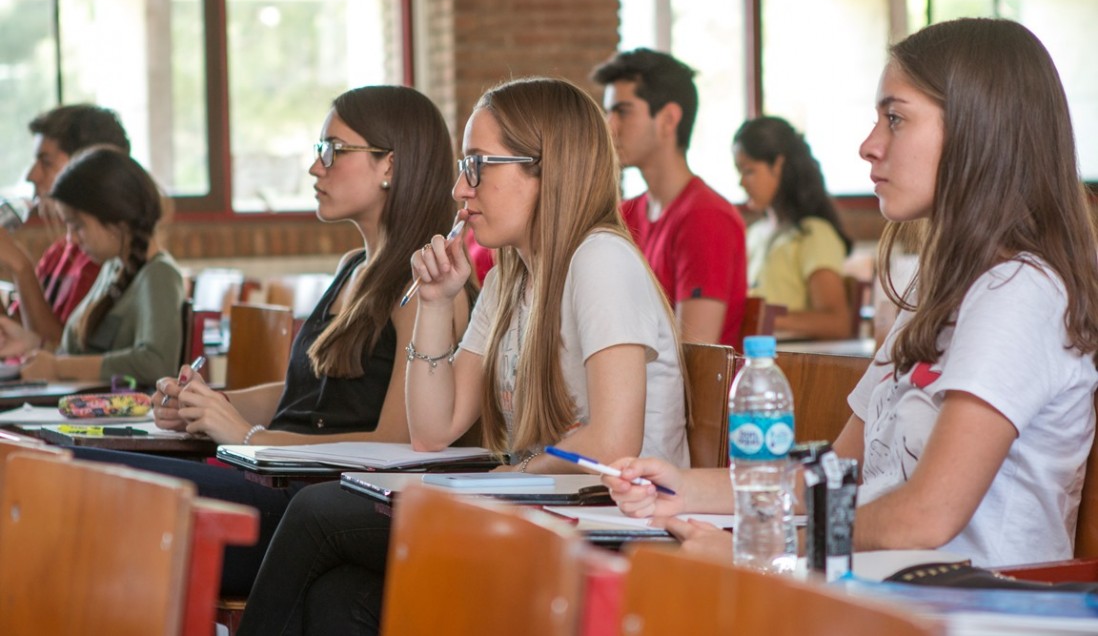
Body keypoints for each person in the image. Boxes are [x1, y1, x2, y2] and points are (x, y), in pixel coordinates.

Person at [603, 18, 1098, 569]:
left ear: (978, 131)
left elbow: (925, 517)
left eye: (895, 119)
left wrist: (759, 552)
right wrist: (683, 487)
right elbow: (835, 475)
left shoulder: (1020, 292)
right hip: (886, 592)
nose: (869, 145)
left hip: (967, 609)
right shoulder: (940, 293)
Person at [237, 76, 689, 635]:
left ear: (547, 169)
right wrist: (434, 303)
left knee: (318, 513)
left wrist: (506, 473)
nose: (459, 189)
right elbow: (433, 430)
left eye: (477, 165)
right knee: (342, 595)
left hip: (611, 531)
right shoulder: (511, 276)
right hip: (544, 509)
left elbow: (612, 443)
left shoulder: (600, 260)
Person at [67, 85, 472, 596]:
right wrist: (210, 404)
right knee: (63, 470)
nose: (315, 169)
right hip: (267, 477)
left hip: (310, 503)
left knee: (83, 476)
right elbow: (300, 394)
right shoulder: (354, 266)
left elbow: (394, 444)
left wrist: (245, 436)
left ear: (388, 164)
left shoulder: (428, 286)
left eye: (332, 151)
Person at [591, 47, 748, 348]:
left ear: (668, 119)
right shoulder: (624, 214)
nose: (608, 127)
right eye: (607, 112)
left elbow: (694, 353)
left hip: (683, 393)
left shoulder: (706, 217)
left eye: (622, 111)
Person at [0, 146, 184, 386]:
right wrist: (34, 343)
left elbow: (156, 363)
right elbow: (85, 353)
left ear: (116, 219)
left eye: (78, 226)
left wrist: (58, 367)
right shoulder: (112, 268)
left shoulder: (159, 274)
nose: (71, 239)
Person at [0, 104, 131, 348]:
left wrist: (21, 267)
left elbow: (66, 350)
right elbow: (13, 337)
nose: (31, 175)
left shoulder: (105, 258)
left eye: (46, 162)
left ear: (88, 169)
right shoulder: (59, 253)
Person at [733, 116, 854, 340]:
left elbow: (837, 323)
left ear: (778, 166)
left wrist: (758, 318)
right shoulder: (754, 234)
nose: (741, 182)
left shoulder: (813, 234)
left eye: (748, 171)